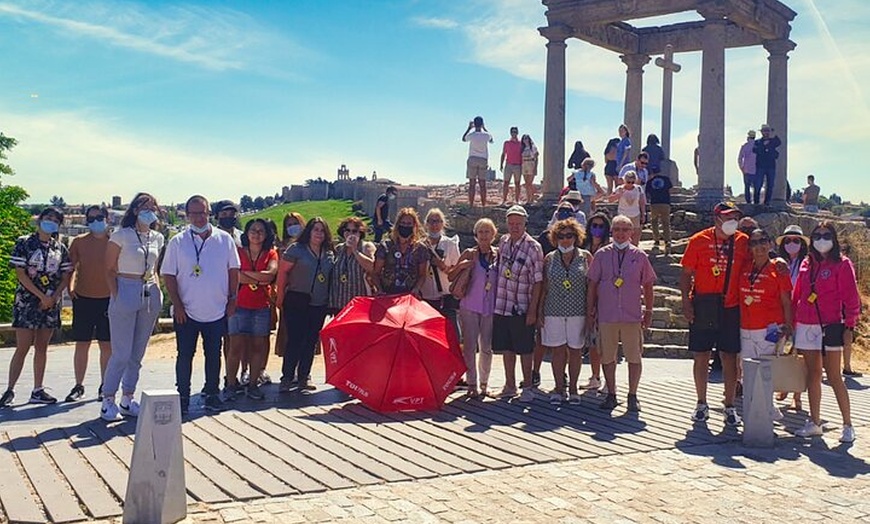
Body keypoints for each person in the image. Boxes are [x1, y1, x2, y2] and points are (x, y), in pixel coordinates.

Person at [161, 195, 240, 414]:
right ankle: (183, 397)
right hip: (186, 311)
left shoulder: (225, 240)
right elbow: (168, 275)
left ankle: (212, 394)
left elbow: (234, 271)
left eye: (202, 213)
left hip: (217, 310)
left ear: (209, 214)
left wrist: (233, 299)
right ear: (187, 216)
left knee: (214, 354)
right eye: (194, 213)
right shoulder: (177, 242)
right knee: (184, 355)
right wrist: (177, 305)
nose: (198, 218)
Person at [680, 202, 750, 426]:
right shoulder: (698, 240)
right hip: (703, 303)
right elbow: (686, 273)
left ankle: (729, 406)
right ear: (716, 218)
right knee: (701, 355)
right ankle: (701, 403)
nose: (732, 220)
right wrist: (686, 303)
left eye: (735, 217)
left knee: (729, 357)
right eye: (728, 216)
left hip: (731, 306)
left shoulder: (743, 241)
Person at [792, 222, 860, 443]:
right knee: (813, 374)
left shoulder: (842, 264)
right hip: (806, 323)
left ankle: (848, 424)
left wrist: (849, 324)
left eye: (826, 235)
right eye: (817, 235)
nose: (821, 239)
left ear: (834, 238)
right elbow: (798, 294)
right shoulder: (806, 263)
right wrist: (791, 321)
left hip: (831, 324)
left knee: (833, 375)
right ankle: (815, 421)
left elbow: (851, 296)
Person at [100, 193, 165, 420]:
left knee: (137, 352)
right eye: (144, 205)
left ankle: (127, 397)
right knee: (121, 352)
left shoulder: (157, 237)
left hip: (148, 290)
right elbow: (108, 268)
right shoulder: (121, 235)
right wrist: (116, 294)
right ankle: (108, 398)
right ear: (135, 210)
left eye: (153, 206)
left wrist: (157, 292)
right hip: (125, 286)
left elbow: (155, 267)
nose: (149, 210)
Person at [1, 207, 72, 407]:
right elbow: (20, 273)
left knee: (42, 347)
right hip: (27, 301)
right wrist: (40, 295)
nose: (51, 221)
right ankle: (10, 389)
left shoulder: (60, 248)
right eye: (48, 217)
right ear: (40, 220)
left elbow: (66, 275)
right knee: (22, 346)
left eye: (55, 220)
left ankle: (38, 389)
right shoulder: (24, 242)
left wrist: (53, 297)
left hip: (49, 303)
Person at [587, 215, 656, 411]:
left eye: (625, 229)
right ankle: (611, 393)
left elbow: (648, 285)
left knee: (634, 356)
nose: (620, 233)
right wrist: (590, 310)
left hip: (631, 315)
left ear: (631, 233)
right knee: (607, 356)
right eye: (617, 229)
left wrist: (649, 310)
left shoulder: (640, 256)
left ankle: (633, 395)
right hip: (607, 314)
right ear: (612, 232)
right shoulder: (601, 255)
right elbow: (592, 284)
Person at [738, 228, 793, 421]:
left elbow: (786, 300)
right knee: (747, 370)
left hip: (770, 328)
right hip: (746, 326)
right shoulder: (744, 266)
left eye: (763, 241)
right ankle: (757, 409)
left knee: (766, 369)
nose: (758, 246)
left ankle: (768, 407)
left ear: (770, 244)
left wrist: (788, 326)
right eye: (753, 243)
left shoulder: (778, 269)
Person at [275, 218, 335, 393]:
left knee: (310, 341)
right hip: (296, 300)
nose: (318, 233)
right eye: (315, 229)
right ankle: (287, 377)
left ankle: (303, 377)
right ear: (308, 231)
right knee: (295, 339)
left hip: (318, 303)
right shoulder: (296, 250)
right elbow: (283, 272)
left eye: (322, 230)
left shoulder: (329, 253)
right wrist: (279, 296)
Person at [492, 205, 544, 402]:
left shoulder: (533, 247)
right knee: (506, 347)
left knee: (525, 349)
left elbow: (538, 281)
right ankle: (510, 385)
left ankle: (528, 387)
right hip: (503, 303)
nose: (514, 227)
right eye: (511, 223)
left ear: (525, 224)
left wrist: (533, 310)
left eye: (518, 224)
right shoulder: (504, 242)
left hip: (522, 304)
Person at [538, 219, 592, 405]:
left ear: (576, 237)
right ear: (555, 238)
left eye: (569, 236)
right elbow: (544, 287)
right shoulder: (549, 258)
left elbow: (591, 286)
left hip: (578, 311)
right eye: (561, 236)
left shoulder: (586, 257)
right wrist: (539, 313)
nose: (565, 240)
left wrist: (592, 312)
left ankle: (574, 388)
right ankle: (559, 387)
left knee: (575, 351)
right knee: (558, 351)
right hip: (553, 310)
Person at [225, 218, 278, 401]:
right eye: (253, 230)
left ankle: (253, 384)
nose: (256, 233)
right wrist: (259, 280)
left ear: (266, 234)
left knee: (258, 347)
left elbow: (271, 274)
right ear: (246, 233)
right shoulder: (237, 252)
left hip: (260, 307)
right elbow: (234, 275)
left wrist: (246, 277)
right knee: (235, 348)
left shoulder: (271, 254)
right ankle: (231, 384)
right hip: (238, 305)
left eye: (261, 230)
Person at [65, 205, 112, 402]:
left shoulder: (115, 241)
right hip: (83, 298)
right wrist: (70, 288)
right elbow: (70, 267)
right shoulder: (78, 242)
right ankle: (78, 385)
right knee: (82, 344)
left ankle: (105, 385)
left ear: (107, 218)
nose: (95, 222)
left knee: (106, 345)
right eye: (91, 219)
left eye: (99, 217)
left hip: (108, 299)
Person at [449, 218, 499, 398]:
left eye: (487, 232)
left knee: (486, 347)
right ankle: (472, 384)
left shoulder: (498, 255)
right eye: (481, 232)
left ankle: (484, 384)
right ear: (476, 235)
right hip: (469, 304)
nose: (484, 235)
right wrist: (462, 265)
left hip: (489, 306)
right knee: (470, 346)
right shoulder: (469, 254)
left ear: (494, 235)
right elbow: (451, 276)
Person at [775, 225, 810, 410]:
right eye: (788, 240)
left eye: (796, 240)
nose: (792, 244)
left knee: (800, 354)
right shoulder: (779, 262)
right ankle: (784, 386)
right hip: (781, 311)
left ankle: (797, 394)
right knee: (783, 350)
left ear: (802, 244)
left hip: (801, 312)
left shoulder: (808, 262)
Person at [580, 212, 611, 392]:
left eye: (601, 226)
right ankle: (595, 377)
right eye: (594, 225)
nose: (597, 229)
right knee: (592, 342)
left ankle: (609, 380)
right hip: (585, 297)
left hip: (605, 299)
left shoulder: (610, 249)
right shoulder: (583, 247)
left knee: (606, 342)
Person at [373, 208, 430, 296]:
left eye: (409, 224)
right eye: (403, 223)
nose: (405, 226)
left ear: (414, 226)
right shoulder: (385, 246)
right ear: (398, 224)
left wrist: (417, 289)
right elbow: (376, 273)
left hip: (410, 296)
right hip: (387, 295)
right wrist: (379, 289)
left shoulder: (420, 249)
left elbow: (422, 275)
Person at [420, 209, 461, 331]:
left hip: (446, 297)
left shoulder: (450, 244)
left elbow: (457, 271)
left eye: (437, 221)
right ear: (426, 223)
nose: (434, 224)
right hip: (425, 296)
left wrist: (442, 266)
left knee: (451, 333)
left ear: (443, 223)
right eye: (431, 221)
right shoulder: (420, 245)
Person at [328, 217, 375, 313]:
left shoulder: (366, 246)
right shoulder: (339, 249)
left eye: (354, 231)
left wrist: (355, 250)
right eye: (347, 230)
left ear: (360, 233)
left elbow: (372, 268)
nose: (350, 234)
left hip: (358, 303)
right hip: (338, 302)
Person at [607, 171, 645, 245]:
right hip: (623, 214)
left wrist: (643, 214)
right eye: (628, 182)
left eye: (632, 182)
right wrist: (619, 194)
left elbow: (642, 202)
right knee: (622, 233)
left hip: (635, 214)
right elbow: (610, 200)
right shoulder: (619, 188)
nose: (630, 184)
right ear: (624, 180)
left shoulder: (639, 189)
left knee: (636, 234)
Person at [462, 116, 493, 207]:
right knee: (482, 183)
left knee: (472, 183)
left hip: (472, 158)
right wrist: (484, 128)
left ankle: (471, 204)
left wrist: (469, 128)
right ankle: (483, 204)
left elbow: (463, 139)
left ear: (474, 124)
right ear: (482, 124)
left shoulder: (472, 135)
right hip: (483, 159)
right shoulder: (486, 135)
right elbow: (491, 140)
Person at [645, 170, 674, 254]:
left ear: (652, 173)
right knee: (666, 223)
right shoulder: (666, 179)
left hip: (654, 203)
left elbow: (647, 193)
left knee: (654, 222)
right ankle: (667, 240)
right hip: (665, 203)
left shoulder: (650, 182)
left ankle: (656, 240)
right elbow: (670, 190)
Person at [753, 124, 782, 205]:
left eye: (768, 131)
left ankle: (767, 202)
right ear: (762, 132)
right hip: (760, 166)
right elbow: (755, 150)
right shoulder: (757, 142)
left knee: (770, 185)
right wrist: (764, 146)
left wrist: (773, 134)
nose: (766, 133)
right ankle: (756, 202)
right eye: (765, 131)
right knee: (758, 184)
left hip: (771, 166)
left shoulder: (773, 141)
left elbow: (779, 142)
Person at [500, 127, 522, 205]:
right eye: (512, 132)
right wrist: (501, 164)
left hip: (518, 165)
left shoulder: (520, 143)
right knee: (506, 182)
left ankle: (517, 200)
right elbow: (503, 154)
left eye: (515, 132)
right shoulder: (507, 143)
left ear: (517, 133)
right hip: (508, 164)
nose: (514, 133)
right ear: (510, 133)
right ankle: (504, 200)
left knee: (517, 183)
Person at [737, 130, 758, 204]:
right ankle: (756, 201)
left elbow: (740, 158)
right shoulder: (757, 146)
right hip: (756, 170)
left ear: (748, 137)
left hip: (746, 170)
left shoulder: (745, 146)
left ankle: (748, 201)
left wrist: (741, 167)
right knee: (756, 187)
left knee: (747, 187)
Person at [520, 134, 539, 203]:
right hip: (524, 164)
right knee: (526, 183)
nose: (525, 140)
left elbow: (536, 158)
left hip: (531, 163)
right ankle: (528, 199)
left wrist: (535, 168)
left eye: (527, 138)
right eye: (524, 138)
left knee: (530, 183)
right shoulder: (522, 148)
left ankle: (532, 199)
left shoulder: (533, 147)